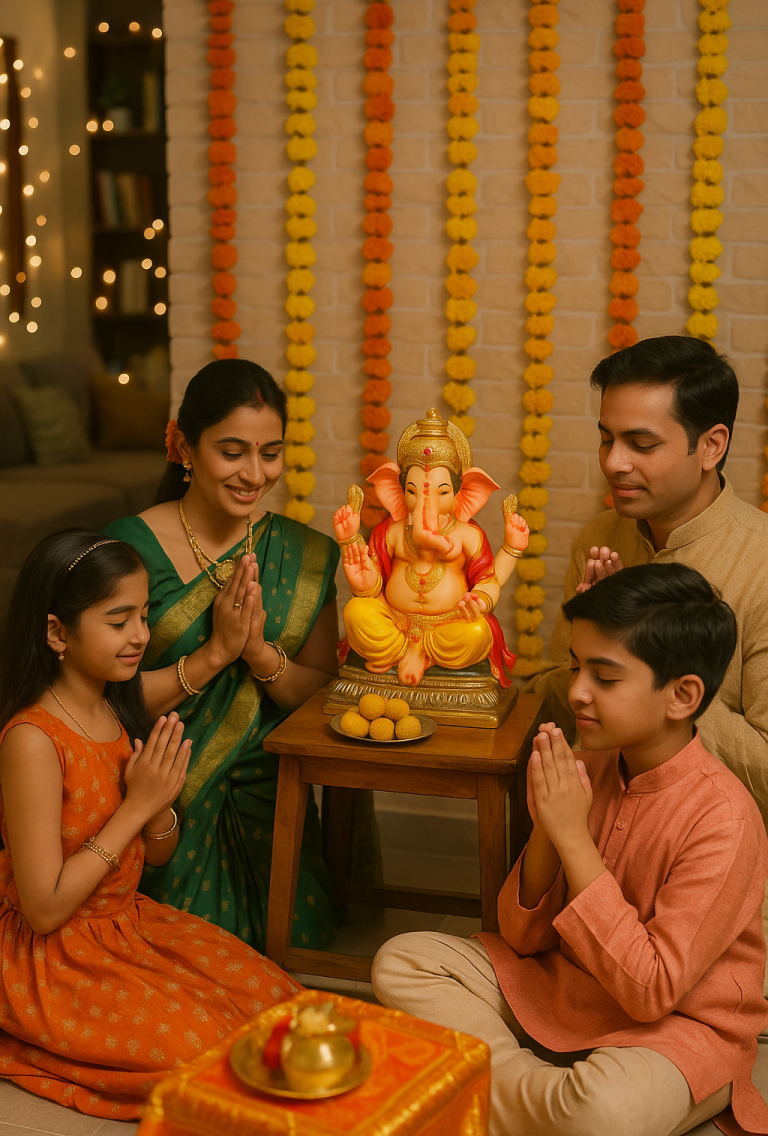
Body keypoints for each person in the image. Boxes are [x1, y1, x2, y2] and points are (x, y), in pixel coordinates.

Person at [372, 564, 768, 1136]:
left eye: (604, 677)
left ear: (682, 696)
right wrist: (548, 829)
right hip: (563, 987)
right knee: (403, 961)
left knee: (604, 1109)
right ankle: (541, 1098)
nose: (577, 690)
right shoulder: (588, 767)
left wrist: (574, 838)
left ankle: (500, 1090)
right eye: (577, 667)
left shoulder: (725, 819)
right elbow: (521, 940)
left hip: (677, 1029)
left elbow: (651, 992)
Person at [0, 529, 300, 1119]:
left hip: (125, 925)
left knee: (277, 1002)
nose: (140, 635)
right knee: (211, 1055)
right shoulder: (32, 739)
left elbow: (157, 853)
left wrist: (160, 804)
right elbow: (45, 909)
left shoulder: (118, 702)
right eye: (119, 621)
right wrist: (136, 807)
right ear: (58, 632)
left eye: (142, 615)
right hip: (48, 956)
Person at [106, 360, 341, 950]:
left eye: (270, 453)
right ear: (184, 447)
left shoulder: (305, 555)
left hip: (273, 789)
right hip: (160, 794)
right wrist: (213, 655)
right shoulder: (127, 549)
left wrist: (259, 654)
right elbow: (101, 701)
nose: (255, 474)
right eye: (232, 452)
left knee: (296, 958)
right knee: (166, 962)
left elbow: (323, 696)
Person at [525, 335, 768, 826]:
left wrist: (650, 660)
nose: (614, 463)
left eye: (641, 444)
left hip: (709, 844)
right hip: (588, 825)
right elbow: (556, 705)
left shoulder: (760, 563)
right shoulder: (600, 537)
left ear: (711, 446)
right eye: (606, 439)